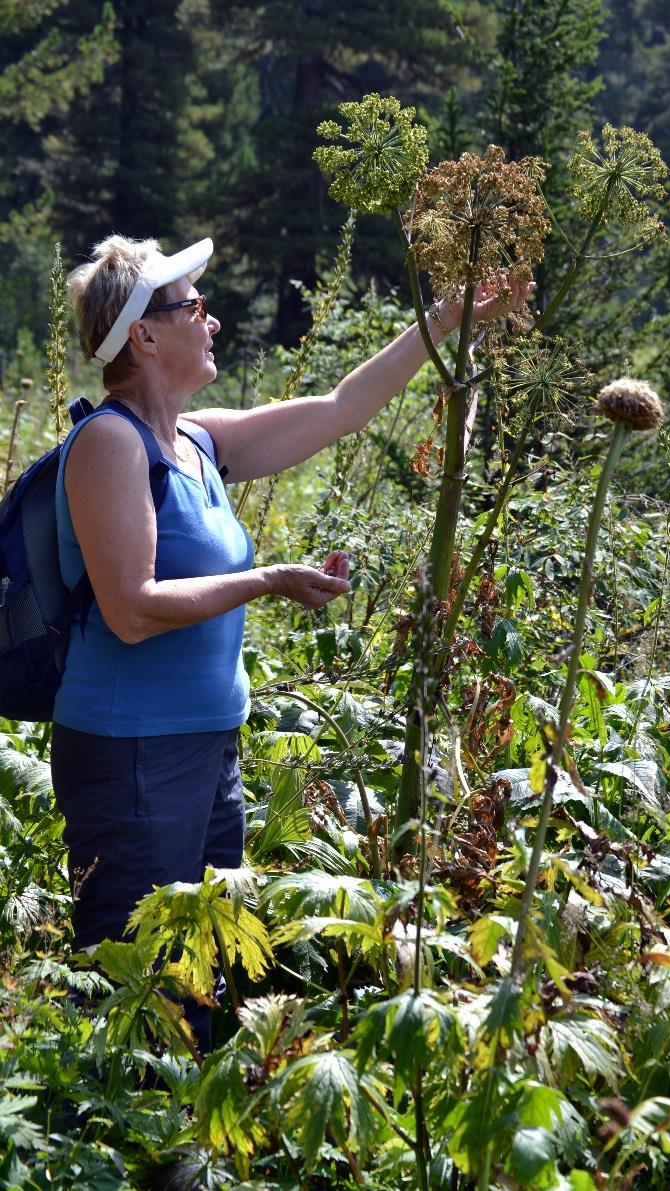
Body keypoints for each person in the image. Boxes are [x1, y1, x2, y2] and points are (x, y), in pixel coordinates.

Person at [53, 233, 530, 1050]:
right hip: (130, 754)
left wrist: (444, 321)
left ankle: (189, 1155)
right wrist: (267, 579)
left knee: (203, 971)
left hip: (207, 747)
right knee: (137, 990)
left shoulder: (197, 440)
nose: (212, 319)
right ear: (145, 336)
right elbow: (130, 609)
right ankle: (120, 1159)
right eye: (193, 306)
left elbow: (342, 409)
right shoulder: (108, 444)